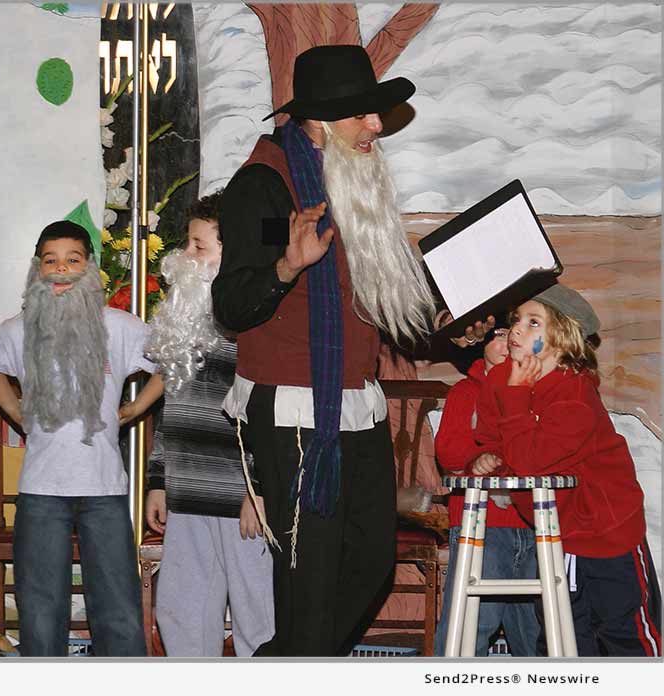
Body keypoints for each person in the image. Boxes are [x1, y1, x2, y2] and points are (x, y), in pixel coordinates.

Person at [211, 44, 448, 656]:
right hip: (293, 413)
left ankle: (284, 663)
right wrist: (287, 265)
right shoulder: (264, 187)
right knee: (310, 586)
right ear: (320, 118)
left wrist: (453, 328)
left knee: (371, 562)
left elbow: (381, 298)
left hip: (355, 406)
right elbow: (231, 304)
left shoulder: (350, 182)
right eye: (363, 114)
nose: (377, 125)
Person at [0, 220, 164, 656]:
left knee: (118, 611)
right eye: (50, 261)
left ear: (89, 268)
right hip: (41, 491)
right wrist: (16, 411)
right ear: (37, 269)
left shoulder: (119, 326)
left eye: (72, 260)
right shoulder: (19, 330)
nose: (61, 269)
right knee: (41, 611)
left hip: (104, 489)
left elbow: (170, 360)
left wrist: (135, 408)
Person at [473, 283, 661, 656]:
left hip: (607, 531)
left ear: (563, 339)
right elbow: (492, 436)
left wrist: (515, 396)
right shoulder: (502, 381)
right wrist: (487, 459)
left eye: (533, 322)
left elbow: (531, 460)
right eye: (516, 320)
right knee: (563, 633)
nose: (517, 329)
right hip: (557, 533)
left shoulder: (574, 393)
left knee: (624, 630)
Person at [143, 193, 274, 656]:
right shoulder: (183, 320)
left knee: (258, 617)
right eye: (188, 244)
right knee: (182, 611)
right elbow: (172, 409)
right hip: (188, 493)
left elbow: (270, 417)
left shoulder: (257, 327)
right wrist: (158, 481)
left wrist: (259, 490)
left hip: (241, 500)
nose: (186, 256)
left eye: (199, 247)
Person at [433, 317, 540, 656]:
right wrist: (477, 459)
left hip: (533, 524)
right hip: (481, 524)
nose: (508, 342)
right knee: (471, 622)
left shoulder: (538, 393)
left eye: (515, 335)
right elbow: (448, 452)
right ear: (479, 343)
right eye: (499, 335)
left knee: (536, 630)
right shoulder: (467, 392)